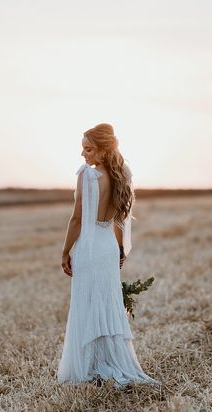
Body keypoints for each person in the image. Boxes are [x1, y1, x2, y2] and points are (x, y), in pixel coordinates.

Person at [56, 123, 161, 389]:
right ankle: (110, 362)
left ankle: (90, 366)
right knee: (106, 304)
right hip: (107, 248)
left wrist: (65, 251)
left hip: (89, 248)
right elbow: (118, 220)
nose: (83, 154)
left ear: (103, 151)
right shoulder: (121, 175)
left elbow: (78, 218)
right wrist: (120, 250)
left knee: (87, 304)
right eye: (83, 148)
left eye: (88, 149)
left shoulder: (86, 176)